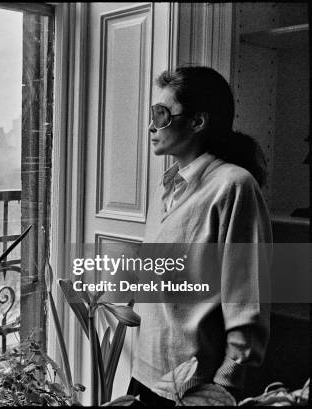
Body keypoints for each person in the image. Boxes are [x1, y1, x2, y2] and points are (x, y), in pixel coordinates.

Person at [128, 66, 272, 406]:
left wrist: (222, 389)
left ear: (197, 122)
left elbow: (248, 302)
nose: (151, 125)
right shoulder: (166, 186)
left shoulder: (234, 187)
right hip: (146, 376)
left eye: (160, 114)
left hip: (194, 391)